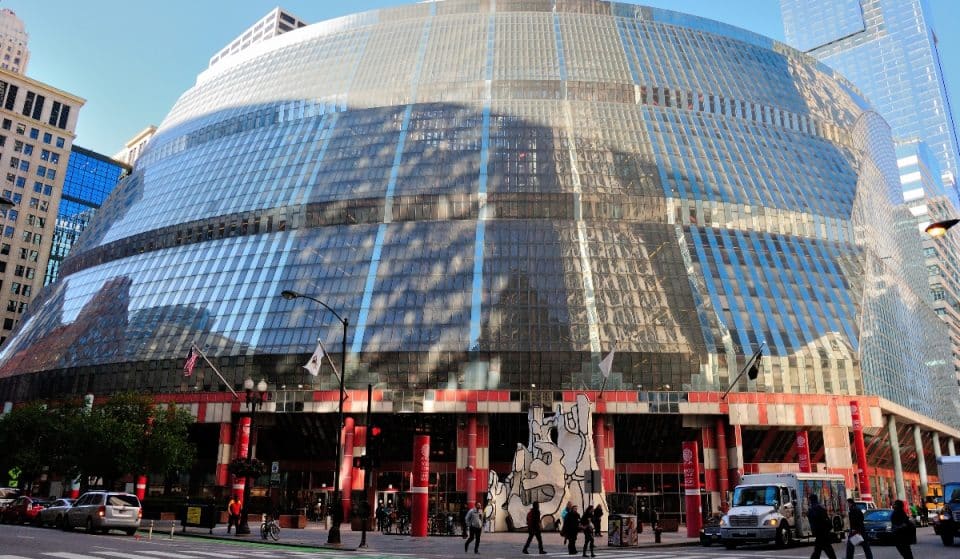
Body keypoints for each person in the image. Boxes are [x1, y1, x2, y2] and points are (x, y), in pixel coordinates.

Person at [807, 494, 837, 559]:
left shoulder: (811, 509)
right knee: (823, 550)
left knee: (819, 551)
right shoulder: (821, 508)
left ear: (811, 500)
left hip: (819, 533)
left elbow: (812, 521)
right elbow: (826, 519)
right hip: (824, 532)